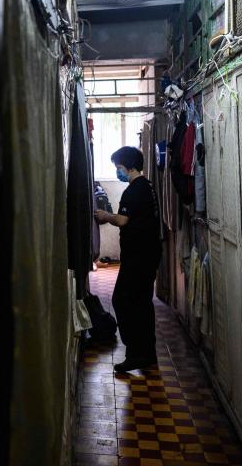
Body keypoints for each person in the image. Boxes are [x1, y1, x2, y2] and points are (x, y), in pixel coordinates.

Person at [94, 146, 163, 373]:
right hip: (149, 255)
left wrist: (105, 216)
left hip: (138, 258)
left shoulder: (133, 191)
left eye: (119, 168)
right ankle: (147, 353)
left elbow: (122, 220)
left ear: (129, 167)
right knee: (142, 304)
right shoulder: (149, 187)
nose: (118, 172)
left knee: (122, 301)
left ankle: (135, 354)